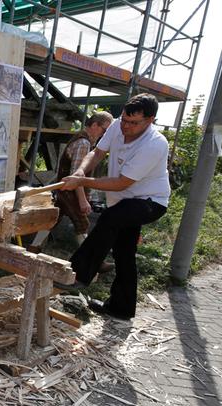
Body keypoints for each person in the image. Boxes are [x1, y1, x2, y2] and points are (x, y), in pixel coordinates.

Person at [58, 93, 170, 320]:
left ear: (150, 120)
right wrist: (81, 170)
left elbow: (121, 183)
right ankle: (121, 307)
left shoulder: (155, 144)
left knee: (110, 218)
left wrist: (82, 181)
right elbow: (97, 152)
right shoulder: (118, 125)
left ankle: (77, 274)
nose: (126, 127)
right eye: (125, 120)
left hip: (150, 202)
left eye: (134, 123)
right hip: (124, 201)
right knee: (124, 254)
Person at [29, 111, 113, 252]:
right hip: (70, 191)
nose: (105, 134)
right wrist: (82, 200)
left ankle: (34, 247)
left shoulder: (83, 140)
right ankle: (91, 259)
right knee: (82, 223)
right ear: (94, 125)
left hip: (66, 190)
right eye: (105, 130)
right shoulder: (83, 143)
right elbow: (76, 176)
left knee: (52, 220)